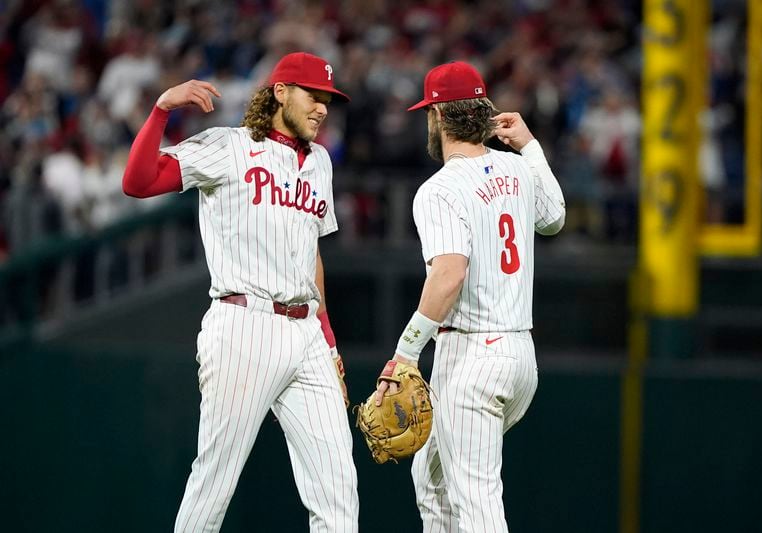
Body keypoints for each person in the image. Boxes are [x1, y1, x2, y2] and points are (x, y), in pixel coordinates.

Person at [122, 52, 358, 533]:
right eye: (314, 96)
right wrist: (161, 111)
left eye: (328, 100)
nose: (322, 109)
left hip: (307, 333)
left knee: (338, 489)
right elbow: (138, 182)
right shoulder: (229, 147)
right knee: (215, 480)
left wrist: (329, 340)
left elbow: (309, 253)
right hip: (243, 323)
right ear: (280, 92)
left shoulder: (320, 164)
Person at [373, 61, 566, 532]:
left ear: (437, 116)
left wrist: (404, 354)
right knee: (433, 478)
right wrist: (530, 145)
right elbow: (555, 217)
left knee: (477, 503)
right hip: (520, 356)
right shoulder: (518, 169)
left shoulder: (439, 189)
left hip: (474, 356)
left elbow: (449, 273)